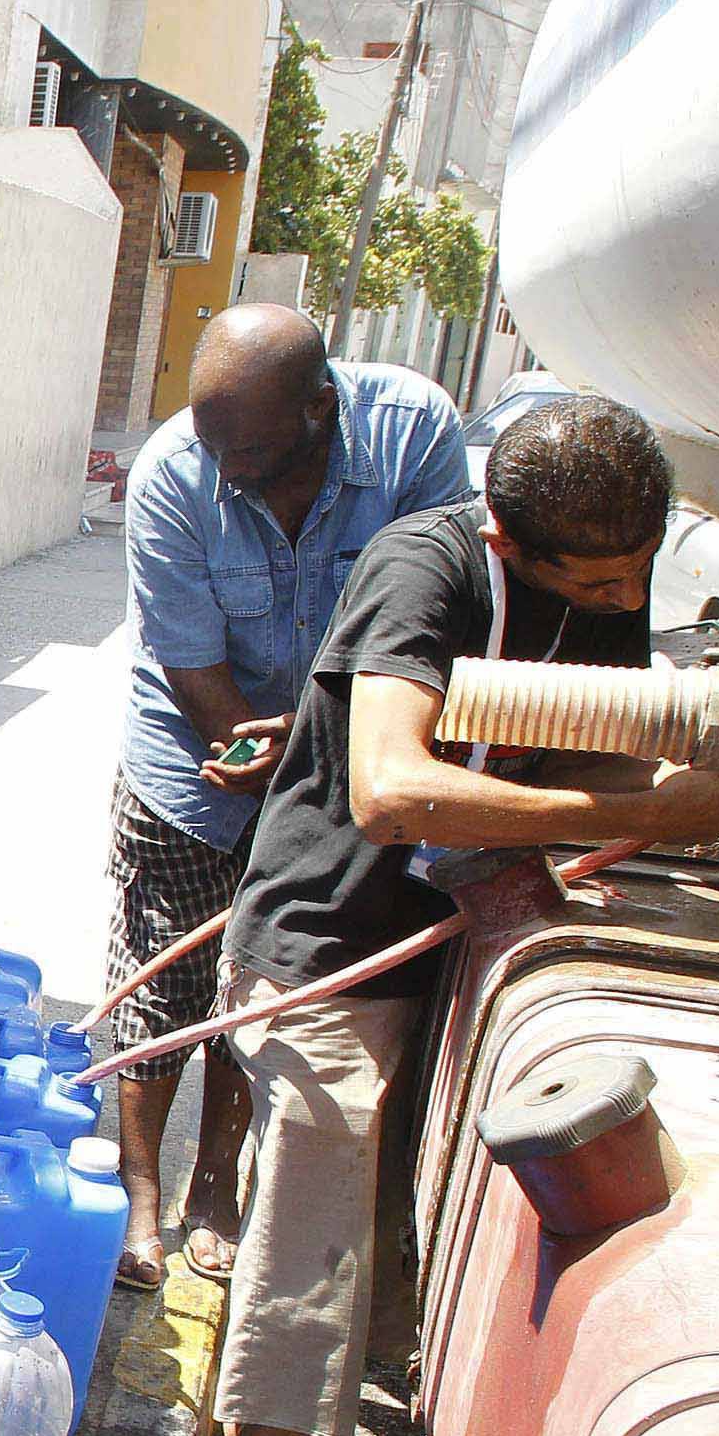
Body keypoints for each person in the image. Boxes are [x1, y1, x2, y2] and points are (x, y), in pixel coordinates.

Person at [196, 395, 719, 1436]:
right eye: (595, 573)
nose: (620, 591)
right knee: (310, 1226)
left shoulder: (599, 588)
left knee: (394, 1221)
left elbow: (593, 752)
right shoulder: (426, 568)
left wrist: (696, 778)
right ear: (507, 540)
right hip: (329, 939)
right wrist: (637, 814)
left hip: (436, 926)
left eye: (636, 567)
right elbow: (389, 786)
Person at [108, 306, 469, 1292]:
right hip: (197, 757)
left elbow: (442, 618)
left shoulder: (413, 437)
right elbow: (187, 656)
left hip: (353, 752)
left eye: (253, 453)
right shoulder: (175, 474)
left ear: (322, 408)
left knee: (259, 974)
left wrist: (316, 756)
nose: (228, 473)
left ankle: (213, 1185)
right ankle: (140, 1200)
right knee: (159, 979)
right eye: (214, 447)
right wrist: (250, 743)